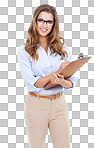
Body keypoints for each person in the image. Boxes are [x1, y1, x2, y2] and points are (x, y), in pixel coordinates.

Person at [17, 4, 78, 148]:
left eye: (49, 21)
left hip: (59, 104)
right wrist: (55, 74)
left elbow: (72, 81)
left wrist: (62, 82)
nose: (44, 25)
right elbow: (32, 83)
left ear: (54, 24)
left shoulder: (62, 49)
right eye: (41, 20)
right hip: (36, 104)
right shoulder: (24, 50)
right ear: (35, 21)